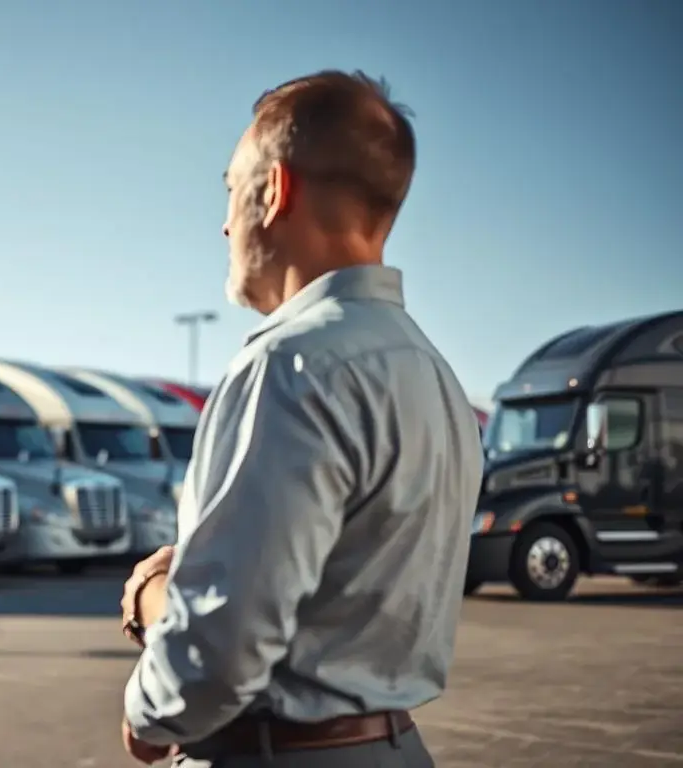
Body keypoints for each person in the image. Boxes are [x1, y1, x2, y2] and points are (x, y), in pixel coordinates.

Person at [118, 70, 484, 767]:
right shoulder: (434, 374)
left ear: (276, 190)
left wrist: (149, 681)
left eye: (231, 190)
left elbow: (221, 655)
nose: (226, 223)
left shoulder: (290, 366)